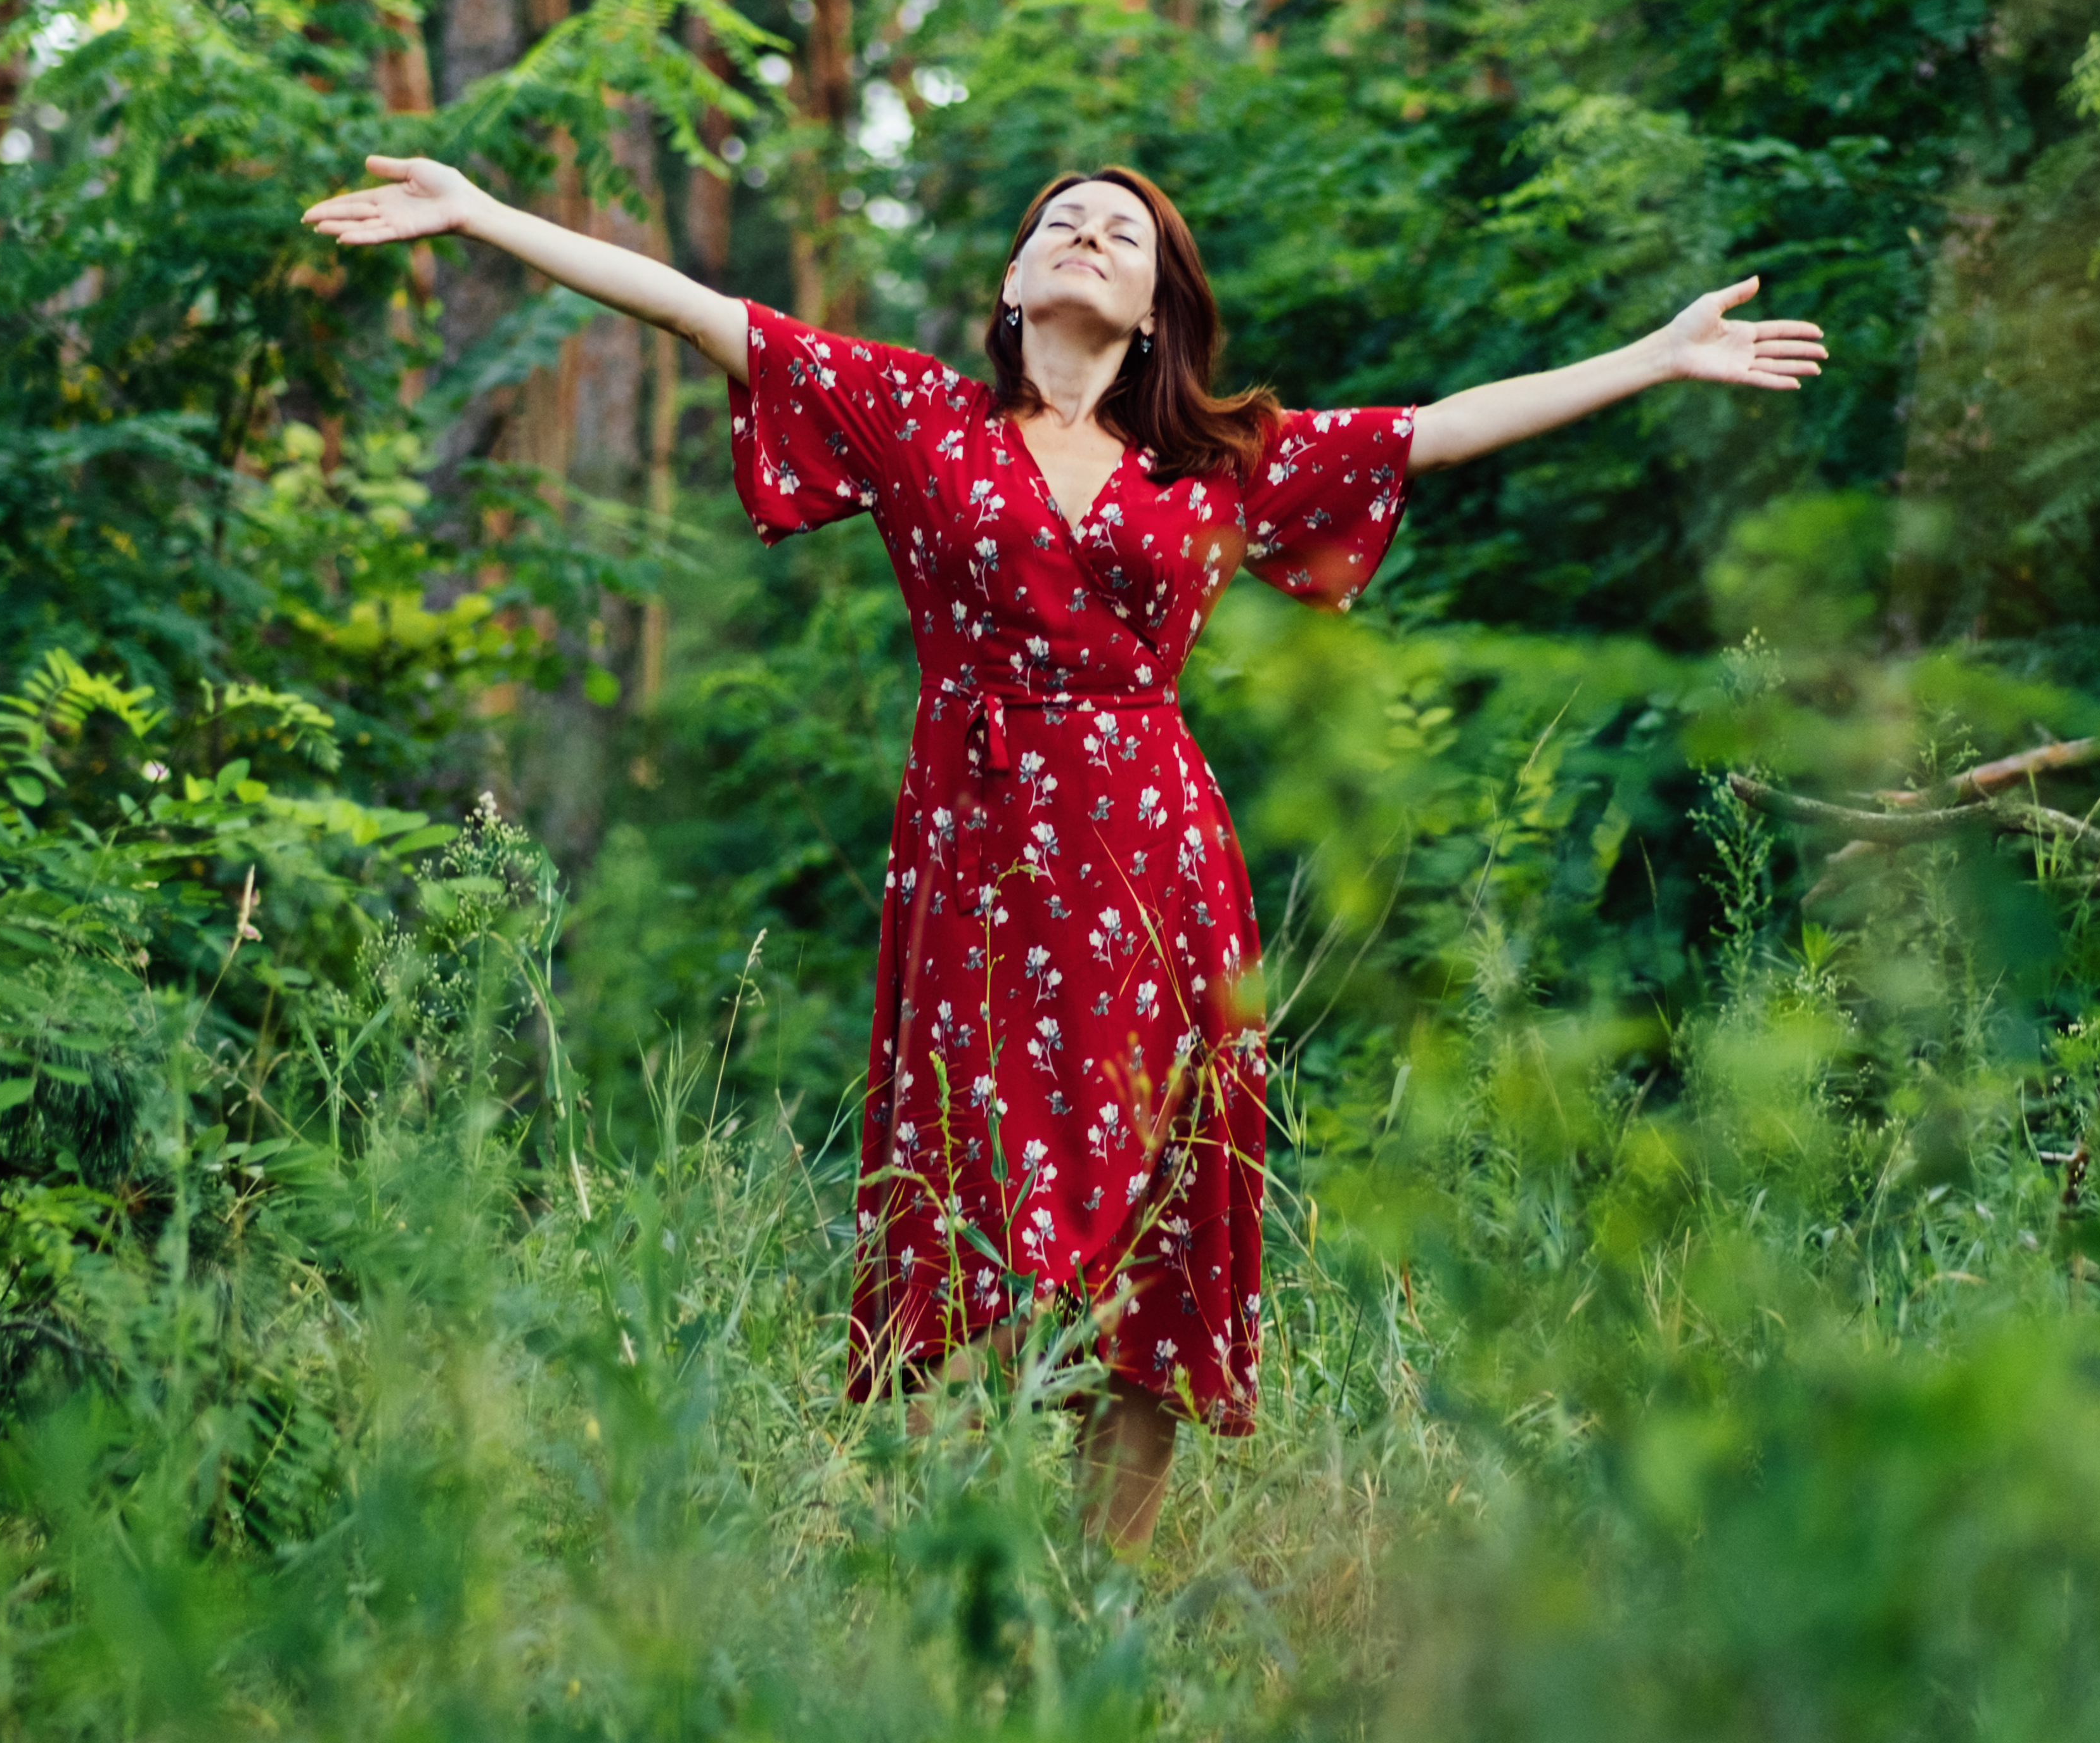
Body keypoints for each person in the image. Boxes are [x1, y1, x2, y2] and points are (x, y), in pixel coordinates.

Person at [302, 157, 1827, 1550]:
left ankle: (1108, 1577)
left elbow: (1439, 429)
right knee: (976, 1185)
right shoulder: (917, 418)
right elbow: (704, 309)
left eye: (1125, 234)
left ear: (1157, 306)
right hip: (973, 854)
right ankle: (971, 1551)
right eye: (1060, 225)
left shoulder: (1217, 460)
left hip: (1156, 853)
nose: (1088, 239)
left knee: (1165, 1196)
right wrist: (483, 213)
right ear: (1015, 283)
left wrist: (1658, 354)